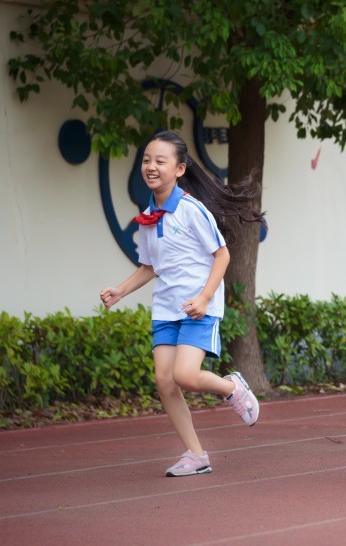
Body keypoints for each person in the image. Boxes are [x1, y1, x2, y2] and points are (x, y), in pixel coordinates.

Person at [100, 130, 264, 477]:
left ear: (179, 169)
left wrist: (204, 298)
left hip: (199, 307)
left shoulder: (191, 210)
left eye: (160, 161)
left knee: (185, 375)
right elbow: (149, 267)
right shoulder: (148, 216)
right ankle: (196, 454)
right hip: (166, 309)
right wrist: (120, 290)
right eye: (147, 160)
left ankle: (232, 387)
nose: (151, 166)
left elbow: (222, 255)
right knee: (165, 382)